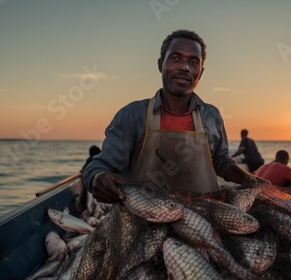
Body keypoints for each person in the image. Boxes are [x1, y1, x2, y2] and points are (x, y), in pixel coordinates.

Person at [83, 30, 267, 203]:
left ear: (200, 73)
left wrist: (246, 178)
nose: (185, 67)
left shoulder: (212, 115)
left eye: (194, 62)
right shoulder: (132, 114)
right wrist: (96, 177)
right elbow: (101, 165)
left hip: (205, 215)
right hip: (145, 217)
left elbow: (221, 161)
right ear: (160, 64)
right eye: (176, 58)